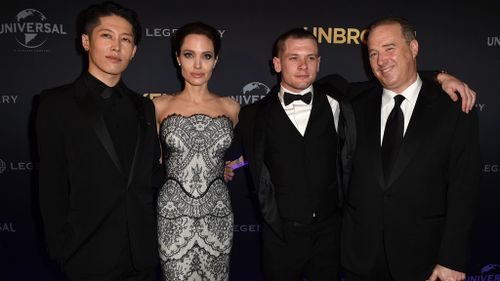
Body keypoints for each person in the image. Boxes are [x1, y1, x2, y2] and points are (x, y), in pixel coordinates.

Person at [232, 27, 476, 281]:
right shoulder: (252, 116)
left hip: (332, 239)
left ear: (319, 63)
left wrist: (439, 76)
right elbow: (223, 148)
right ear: (277, 63)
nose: (303, 66)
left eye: (311, 58)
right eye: (294, 58)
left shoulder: (339, 96)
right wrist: (228, 164)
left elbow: (399, 76)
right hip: (280, 238)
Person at [341, 17, 480, 281]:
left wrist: (452, 259)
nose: (381, 60)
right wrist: (436, 75)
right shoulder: (354, 102)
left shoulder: (453, 106)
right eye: (373, 53)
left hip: (425, 262)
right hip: (360, 260)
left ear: (413, 48)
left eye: (389, 48)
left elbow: (465, 187)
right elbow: (313, 84)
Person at [36, 2, 161, 280]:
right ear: (85, 41)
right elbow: (51, 182)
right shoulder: (55, 103)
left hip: (141, 254)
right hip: (85, 253)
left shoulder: (144, 107)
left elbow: (151, 172)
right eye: (107, 35)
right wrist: (60, 248)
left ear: (134, 51)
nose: (116, 46)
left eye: (125, 39)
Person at [153, 22, 240, 280]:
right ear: (178, 58)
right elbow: (151, 161)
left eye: (207, 56)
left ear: (216, 60)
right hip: (173, 215)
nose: (198, 65)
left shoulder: (232, 108)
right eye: (189, 55)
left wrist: (231, 166)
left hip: (218, 214)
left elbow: (260, 152)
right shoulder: (159, 106)